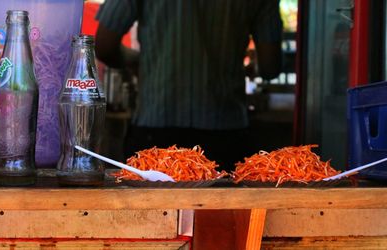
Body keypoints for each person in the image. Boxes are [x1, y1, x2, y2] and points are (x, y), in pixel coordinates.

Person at [95, 0, 283, 171]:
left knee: (151, 206)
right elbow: (270, 67)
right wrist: (248, 66)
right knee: (221, 207)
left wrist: (137, 62)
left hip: (156, 123)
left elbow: (104, 45)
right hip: (225, 127)